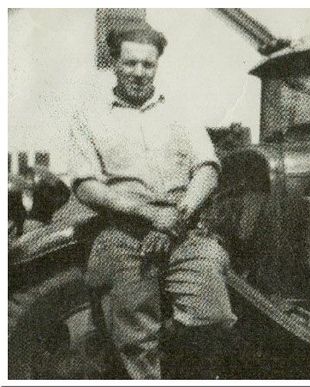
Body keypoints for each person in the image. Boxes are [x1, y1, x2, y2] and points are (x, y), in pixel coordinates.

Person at [66, 23, 235, 379]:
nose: (139, 73)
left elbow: (207, 169)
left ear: (157, 65)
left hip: (185, 230)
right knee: (136, 339)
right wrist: (144, 213)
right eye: (130, 63)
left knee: (214, 317)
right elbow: (85, 184)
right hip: (124, 235)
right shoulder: (89, 117)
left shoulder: (180, 111)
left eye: (148, 64)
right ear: (115, 62)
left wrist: (178, 215)